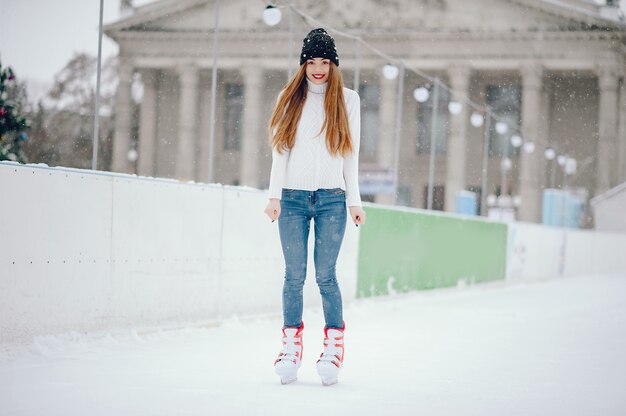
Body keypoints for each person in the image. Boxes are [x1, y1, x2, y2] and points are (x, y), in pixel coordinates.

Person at [264, 28, 366, 386]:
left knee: (326, 276)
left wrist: (354, 200)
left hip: (332, 200)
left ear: (334, 64)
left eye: (325, 61)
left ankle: (334, 346)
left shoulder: (348, 100)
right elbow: (280, 151)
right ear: (303, 63)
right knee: (294, 276)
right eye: (312, 61)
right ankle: (290, 347)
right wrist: (274, 195)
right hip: (291, 198)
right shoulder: (288, 98)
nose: (318, 68)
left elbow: (350, 155)